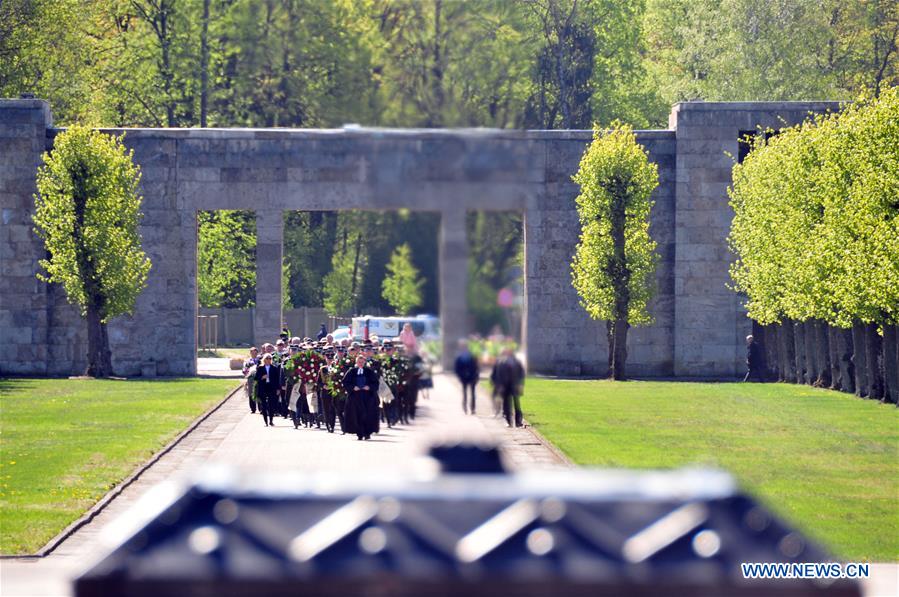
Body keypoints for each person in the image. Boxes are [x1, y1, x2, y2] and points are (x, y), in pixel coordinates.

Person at [342, 355, 380, 440]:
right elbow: (345, 382)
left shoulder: (369, 371)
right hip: (355, 398)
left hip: (368, 397)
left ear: (364, 362)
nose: (360, 363)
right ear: (356, 362)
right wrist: (353, 387)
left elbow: (376, 383)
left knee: (367, 415)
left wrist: (369, 387)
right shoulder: (351, 371)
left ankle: (367, 433)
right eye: (359, 362)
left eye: (362, 362)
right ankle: (359, 433)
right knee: (356, 415)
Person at [491, 347, 525, 428]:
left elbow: (521, 373)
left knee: (517, 404)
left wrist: (521, 384)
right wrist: (498, 385)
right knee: (506, 404)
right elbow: (497, 375)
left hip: (514, 385)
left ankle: (518, 421)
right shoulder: (500, 362)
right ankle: (508, 421)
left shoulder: (516, 362)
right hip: (504, 386)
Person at [255, 353, 282, 427]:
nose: (269, 360)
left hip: (271, 387)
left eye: (270, 358)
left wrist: (278, 389)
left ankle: (271, 420)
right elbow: (256, 378)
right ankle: (265, 422)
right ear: (264, 359)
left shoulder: (274, 368)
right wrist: (262, 377)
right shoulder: (260, 368)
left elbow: (277, 380)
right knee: (264, 405)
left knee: (271, 405)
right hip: (263, 387)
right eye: (267, 358)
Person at [454, 339, 480, 415]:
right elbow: (457, 368)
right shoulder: (459, 357)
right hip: (463, 377)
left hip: (472, 377)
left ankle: (472, 408)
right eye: (462, 346)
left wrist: (476, 376)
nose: (463, 347)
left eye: (464, 346)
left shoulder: (472, 356)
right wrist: (460, 376)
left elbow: (476, 367)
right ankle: (465, 407)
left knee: (472, 393)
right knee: (465, 393)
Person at [242, 347, 260, 414]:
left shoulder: (260, 360)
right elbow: (244, 370)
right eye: (252, 353)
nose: (254, 354)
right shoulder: (247, 361)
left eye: (255, 353)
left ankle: (260, 408)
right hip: (250, 379)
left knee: (259, 392)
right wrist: (247, 372)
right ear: (250, 353)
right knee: (251, 393)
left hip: (258, 379)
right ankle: (253, 408)